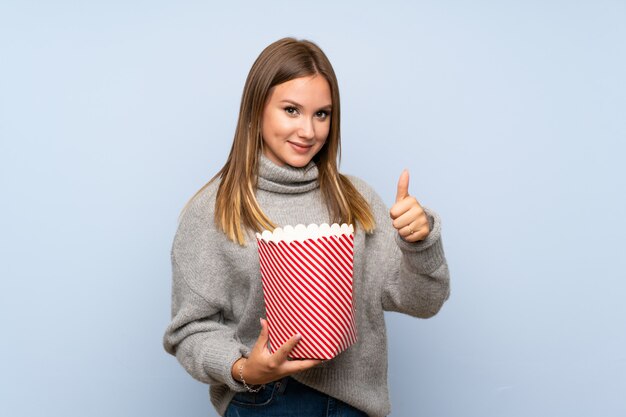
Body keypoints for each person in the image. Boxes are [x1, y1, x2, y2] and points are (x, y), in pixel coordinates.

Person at [163, 37, 450, 417]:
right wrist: (244, 369)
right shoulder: (214, 210)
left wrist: (420, 242)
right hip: (263, 401)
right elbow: (189, 331)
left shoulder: (357, 202)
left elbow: (423, 303)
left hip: (356, 405)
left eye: (322, 114)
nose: (308, 131)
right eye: (291, 110)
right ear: (255, 110)